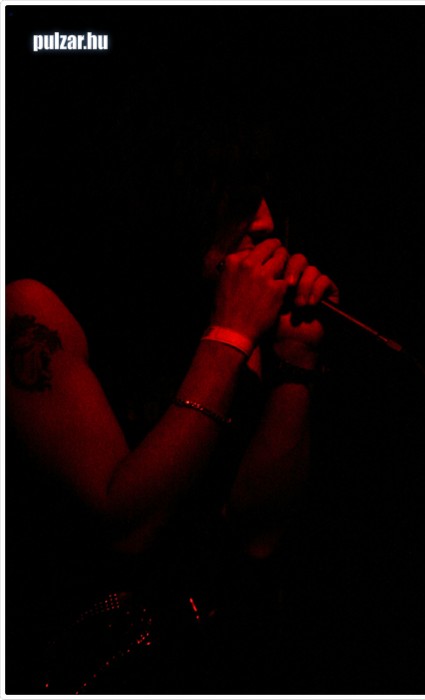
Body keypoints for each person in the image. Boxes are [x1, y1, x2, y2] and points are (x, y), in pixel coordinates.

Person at [5, 134, 339, 693]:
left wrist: (296, 366)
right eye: (235, 200)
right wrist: (229, 336)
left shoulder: (225, 318)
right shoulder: (32, 309)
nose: (264, 222)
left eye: (263, 197)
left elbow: (259, 533)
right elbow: (127, 527)